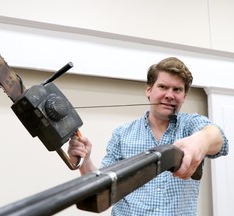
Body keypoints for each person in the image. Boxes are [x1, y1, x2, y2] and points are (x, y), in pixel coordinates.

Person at [68, 57, 229, 216]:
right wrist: (85, 160)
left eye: (177, 89)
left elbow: (219, 138)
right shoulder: (122, 133)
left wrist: (199, 141)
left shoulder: (191, 125)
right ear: (149, 90)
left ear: (184, 96)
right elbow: (103, 186)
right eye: (163, 87)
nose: (169, 95)